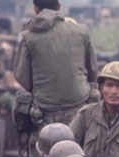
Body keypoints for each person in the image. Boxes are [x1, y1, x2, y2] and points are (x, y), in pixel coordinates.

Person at [14, 0, 98, 132]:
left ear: (35, 9)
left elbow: (20, 75)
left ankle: (25, 151)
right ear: (58, 6)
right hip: (79, 105)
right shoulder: (82, 31)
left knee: (20, 105)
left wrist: (40, 91)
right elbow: (93, 70)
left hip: (45, 109)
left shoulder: (28, 36)